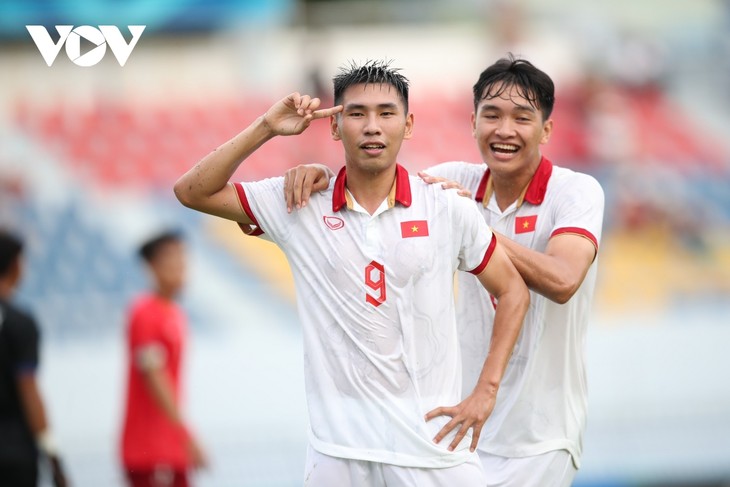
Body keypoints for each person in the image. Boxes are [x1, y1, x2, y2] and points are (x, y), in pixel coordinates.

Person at [173, 59, 529, 486]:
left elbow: (513, 291)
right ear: (335, 127)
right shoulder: (299, 204)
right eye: (356, 113)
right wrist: (266, 127)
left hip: (436, 452)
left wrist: (485, 393)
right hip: (337, 456)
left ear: (409, 124)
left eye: (386, 113)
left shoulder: (446, 207)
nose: (372, 126)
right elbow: (192, 191)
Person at [283, 55, 605, 487]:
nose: (504, 130)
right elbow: (376, 190)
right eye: (491, 115)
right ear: (472, 123)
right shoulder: (452, 181)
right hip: (455, 428)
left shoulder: (576, 191)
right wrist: (320, 174)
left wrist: (474, 229)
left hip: (540, 435)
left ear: (546, 129)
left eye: (521, 118)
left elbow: (564, 281)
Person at [120, 230, 207, 487]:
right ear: (152, 266)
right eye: (171, 257)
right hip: (150, 449)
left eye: (182, 257)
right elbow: (154, 376)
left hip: (170, 448)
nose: (180, 264)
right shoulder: (145, 312)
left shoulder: (175, 312)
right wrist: (186, 434)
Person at [0, 229, 69, 487]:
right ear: (16, 264)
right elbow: (29, 391)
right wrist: (54, 458)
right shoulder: (20, 322)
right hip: (13, 451)